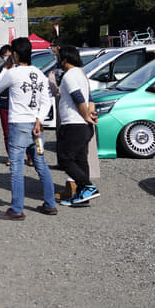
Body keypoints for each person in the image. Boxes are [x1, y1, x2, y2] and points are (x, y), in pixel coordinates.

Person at [0, 37, 57, 219]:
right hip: (36, 126)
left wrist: (6, 67)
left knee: (17, 168)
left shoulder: (13, 73)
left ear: (14, 54)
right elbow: (46, 102)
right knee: (41, 165)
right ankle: (50, 204)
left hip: (18, 124)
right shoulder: (40, 74)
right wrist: (39, 120)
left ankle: (17, 209)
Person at [56, 46, 100, 206]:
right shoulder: (81, 74)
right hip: (83, 126)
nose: (57, 60)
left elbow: (78, 97)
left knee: (64, 159)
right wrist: (90, 113)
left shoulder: (69, 75)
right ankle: (83, 197)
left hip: (73, 124)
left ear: (64, 59)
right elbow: (89, 97)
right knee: (81, 160)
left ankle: (87, 186)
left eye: (59, 57)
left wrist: (86, 115)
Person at [0, 44, 14, 163]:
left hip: (18, 106)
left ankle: (30, 156)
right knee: (7, 133)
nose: (7, 57)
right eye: (5, 56)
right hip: (4, 104)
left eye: (9, 55)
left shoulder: (19, 70)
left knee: (24, 132)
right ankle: (10, 156)